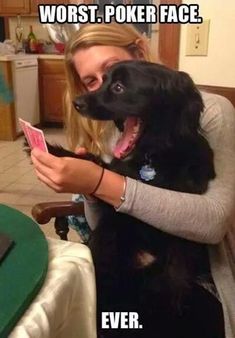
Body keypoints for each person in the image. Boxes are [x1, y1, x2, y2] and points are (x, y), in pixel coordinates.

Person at [31, 23, 235, 337]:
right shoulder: (122, 124)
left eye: (112, 74)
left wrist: (101, 182)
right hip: (127, 269)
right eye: (91, 82)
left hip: (195, 281)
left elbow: (213, 223)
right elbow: (106, 225)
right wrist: (89, 189)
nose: (100, 90)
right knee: (81, 317)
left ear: (139, 53)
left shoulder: (211, 114)